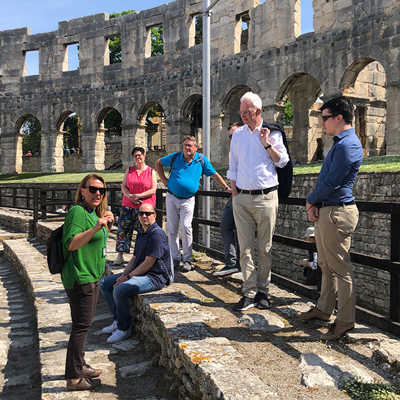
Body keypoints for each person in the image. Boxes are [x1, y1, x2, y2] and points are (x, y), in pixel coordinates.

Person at [297, 96, 363, 341]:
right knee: (326, 265)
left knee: (340, 268)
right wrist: (317, 202)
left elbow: (333, 181)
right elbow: (327, 180)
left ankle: (345, 321)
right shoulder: (340, 143)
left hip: (337, 212)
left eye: (325, 118)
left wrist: (311, 199)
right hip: (329, 209)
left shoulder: (348, 145)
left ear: (338, 118)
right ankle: (324, 310)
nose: (322, 122)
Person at [227, 92, 289, 311]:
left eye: (247, 112)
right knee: (245, 249)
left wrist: (266, 144)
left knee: (264, 248)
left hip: (266, 197)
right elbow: (233, 163)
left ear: (259, 112)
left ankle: (263, 291)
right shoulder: (238, 135)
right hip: (242, 197)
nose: (243, 116)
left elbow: (282, 161)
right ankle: (249, 292)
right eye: (241, 112)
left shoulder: (271, 133)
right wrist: (233, 186)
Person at [62, 174, 114, 391]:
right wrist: (96, 227)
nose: (98, 194)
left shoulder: (93, 213)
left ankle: (79, 365)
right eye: (93, 189)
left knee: (83, 325)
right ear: (82, 190)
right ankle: (73, 378)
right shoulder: (77, 212)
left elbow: (96, 242)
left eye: (102, 191)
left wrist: (105, 224)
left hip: (92, 276)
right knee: (81, 327)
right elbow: (71, 243)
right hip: (80, 277)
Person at [155, 135, 230, 273]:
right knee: (172, 229)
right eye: (185, 145)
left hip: (188, 199)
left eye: (190, 145)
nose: (187, 148)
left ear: (196, 147)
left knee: (186, 226)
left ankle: (188, 259)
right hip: (171, 197)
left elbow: (214, 174)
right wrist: (164, 180)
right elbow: (158, 162)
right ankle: (175, 258)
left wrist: (226, 188)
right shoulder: (175, 157)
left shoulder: (201, 160)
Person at [100, 203, 172, 344]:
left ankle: (124, 328)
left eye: (148, 213)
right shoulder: (142, 232)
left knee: (120, 289)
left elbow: (149, 263)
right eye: (141, 213)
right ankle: (117, 319)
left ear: (155, 215)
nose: (144, 216)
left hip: (155, 277)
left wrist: (127, 277)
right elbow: (134, 258)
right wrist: (123, 275)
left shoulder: (157, 234)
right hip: (140, 273)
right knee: (106, 284)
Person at [114, 146, 157, 265]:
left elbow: (153, 189)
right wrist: (129, 196)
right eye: (135, 156)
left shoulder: (151, 171)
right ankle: (120, 255)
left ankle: (140, 256)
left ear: (144, 156)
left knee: (143, 232)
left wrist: (139, 196)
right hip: (128, 204)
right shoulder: (129, 170)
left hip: (144, 207)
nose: (138, 157)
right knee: (124, 229)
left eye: (140, 155)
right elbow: (123, 186)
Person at [214, 122, 243, 277]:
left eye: (235, 135)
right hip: (236, 195)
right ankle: (232, 263)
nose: (232, 138)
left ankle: (240, 264)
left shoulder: (246, 148)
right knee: (226, 224)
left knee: (242, 230)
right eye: (231, 136)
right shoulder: (235, 150)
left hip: (245, 194)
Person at [299, 226, 322, 290]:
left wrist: (306, 263)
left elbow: (315, 266)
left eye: (308, 238)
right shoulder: (317, 246)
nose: (306, 239)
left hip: (315, 279)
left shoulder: (314, 248)